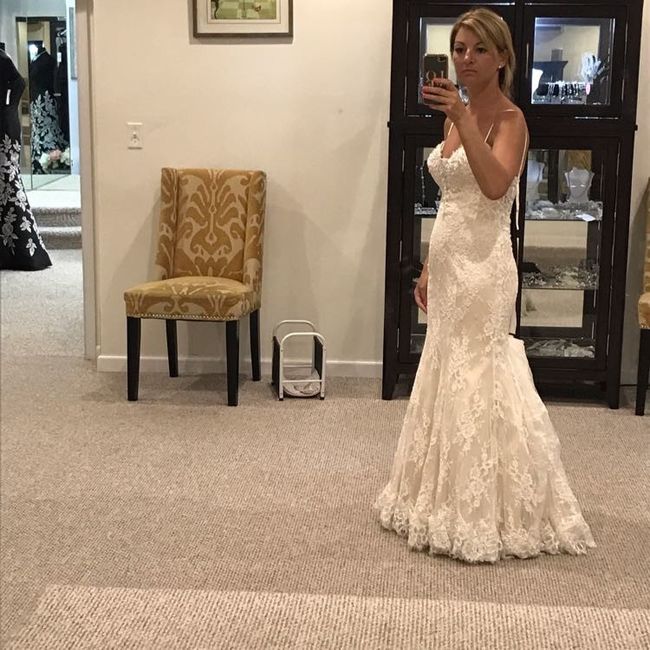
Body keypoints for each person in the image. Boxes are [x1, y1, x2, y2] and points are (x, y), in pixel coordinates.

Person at [374, 7, 595, 563]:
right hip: (451, 264)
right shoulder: (456, 115)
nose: (465, 59)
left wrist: (464, 118)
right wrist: (429, 265)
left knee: (481, 371)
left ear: (502, 58)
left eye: (478, 50)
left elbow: (495, 186)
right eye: (459, 49)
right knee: (446, 366)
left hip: (485, 269)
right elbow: (450, 202)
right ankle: (437, 498)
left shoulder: (511, 120)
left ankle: (492, 509)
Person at [1, 48, 52, 271]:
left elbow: (19, 83)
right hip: (6, 119)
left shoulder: (1, 58)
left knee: (8, 181)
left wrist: (7, 105)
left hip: (4, 123)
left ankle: (24, 250)